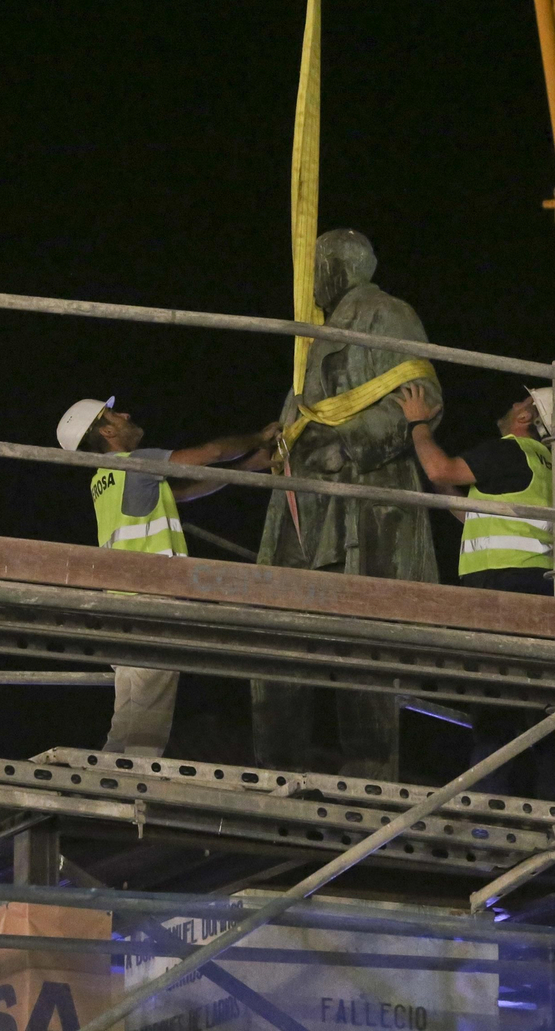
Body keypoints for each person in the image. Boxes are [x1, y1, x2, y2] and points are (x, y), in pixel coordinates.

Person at [253, 229, 443, 780]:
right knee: (275, 630)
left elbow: (421, 395)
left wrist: (347, 444)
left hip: (358, 500)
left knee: (364, 642)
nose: (309, 283)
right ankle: (277, 766)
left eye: (315, 270)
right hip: (302, 502)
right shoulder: (316, 331)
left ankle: (370, 771)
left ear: (338, 267)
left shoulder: (386, 313)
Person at [57, 395, 278, 756]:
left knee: (128, 716)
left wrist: (252, 465)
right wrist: (258, 437)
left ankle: (109, 780)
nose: (126, 413)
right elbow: (212, 453)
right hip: (149, 600)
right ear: (108, 430)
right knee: (147, 724)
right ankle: (132, 790)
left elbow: (186, 492)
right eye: (114, 413)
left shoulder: (105, 480)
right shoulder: (136, 462)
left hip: (120, 604)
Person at [400, 382, 555, 798]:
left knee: (496, 700)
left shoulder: (509, 451)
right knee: (538, 701)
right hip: (533, 589)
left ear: (527, 417)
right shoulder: (543, 466)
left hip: (502, 590)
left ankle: (488, 802)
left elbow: (440, 470)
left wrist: (418, 425)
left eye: (520, 402)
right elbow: (476, 516)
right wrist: (445, 491)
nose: (513, 404)